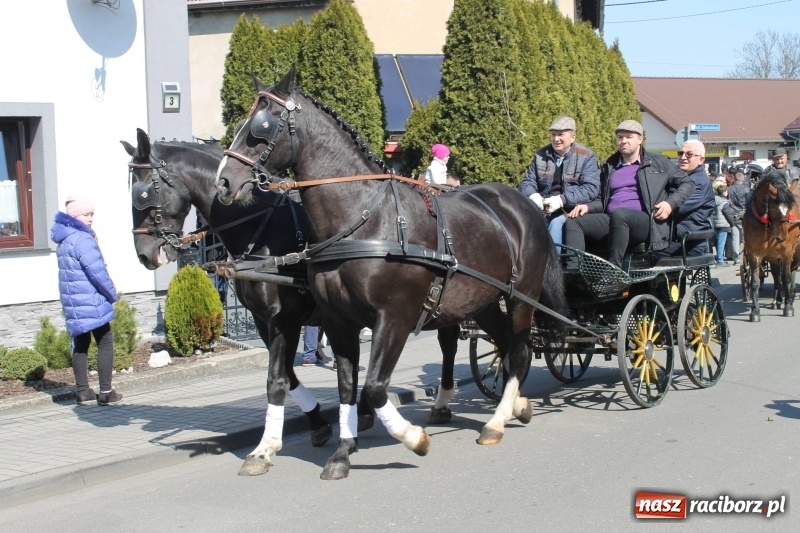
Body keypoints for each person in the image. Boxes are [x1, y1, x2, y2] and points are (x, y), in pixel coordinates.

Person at [563, 120, 693, 268]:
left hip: (647, 222)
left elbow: (687, 184)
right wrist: (587, 207)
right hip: (613, 220)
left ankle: (613, 269)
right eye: (620, 137)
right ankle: (574, 271)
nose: (623, 141)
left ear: (640, 139)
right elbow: (602, 200)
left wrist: (670, 203)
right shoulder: (609, 166)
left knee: (620, 215)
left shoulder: (659, 163)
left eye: (628, 137)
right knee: (574, 221)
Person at [50, 196, 122, 405]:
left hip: (73, 301)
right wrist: (111, 293)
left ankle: (83, 391)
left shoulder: (63, 239)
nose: (90, 219)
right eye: (86, 214)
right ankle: (106, 392)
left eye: (92, 214)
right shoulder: (82, 238)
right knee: (105, 341)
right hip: (90, 300)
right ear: (75, 216)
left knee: (80, 345)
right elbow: (96, 271)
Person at [520, 116, 600, 251]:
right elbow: (527, 182)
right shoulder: (540, 155)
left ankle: (555, 267)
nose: (556, 139)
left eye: (561, 135)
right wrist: (534, 196)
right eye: (553, 135)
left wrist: (562, 200)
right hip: (543, 208)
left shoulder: (586, 156)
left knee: (556, 225)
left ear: (573, 137)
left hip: (570, 210)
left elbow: (590, 189)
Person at [653, 139, 715, 260]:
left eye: (689, 154)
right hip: (675, 238)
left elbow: (675, 208)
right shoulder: (681, 177)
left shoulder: (698, 183)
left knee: (643, 255)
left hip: (688, 243)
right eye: (680, 153)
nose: (683, 157)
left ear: (701, 160)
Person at [727, 171, 749, 265]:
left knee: (735, 238)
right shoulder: (746, 189)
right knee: (745, 238)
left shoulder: (729, 189)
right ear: (743, 179)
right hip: (744, 215)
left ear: (735, 179)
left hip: (732, 215)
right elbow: (749, 203)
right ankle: (745, 256)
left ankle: (736, 259)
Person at [711, 183, 736, 267]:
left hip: (715, 224)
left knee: (718, 242)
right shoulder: (724, 202)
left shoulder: (714, 199)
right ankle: (720, 260)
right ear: (724, 192)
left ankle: (718, 258)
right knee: (721, 243)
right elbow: (728, 214)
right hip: (723, 225)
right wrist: (732, 223)